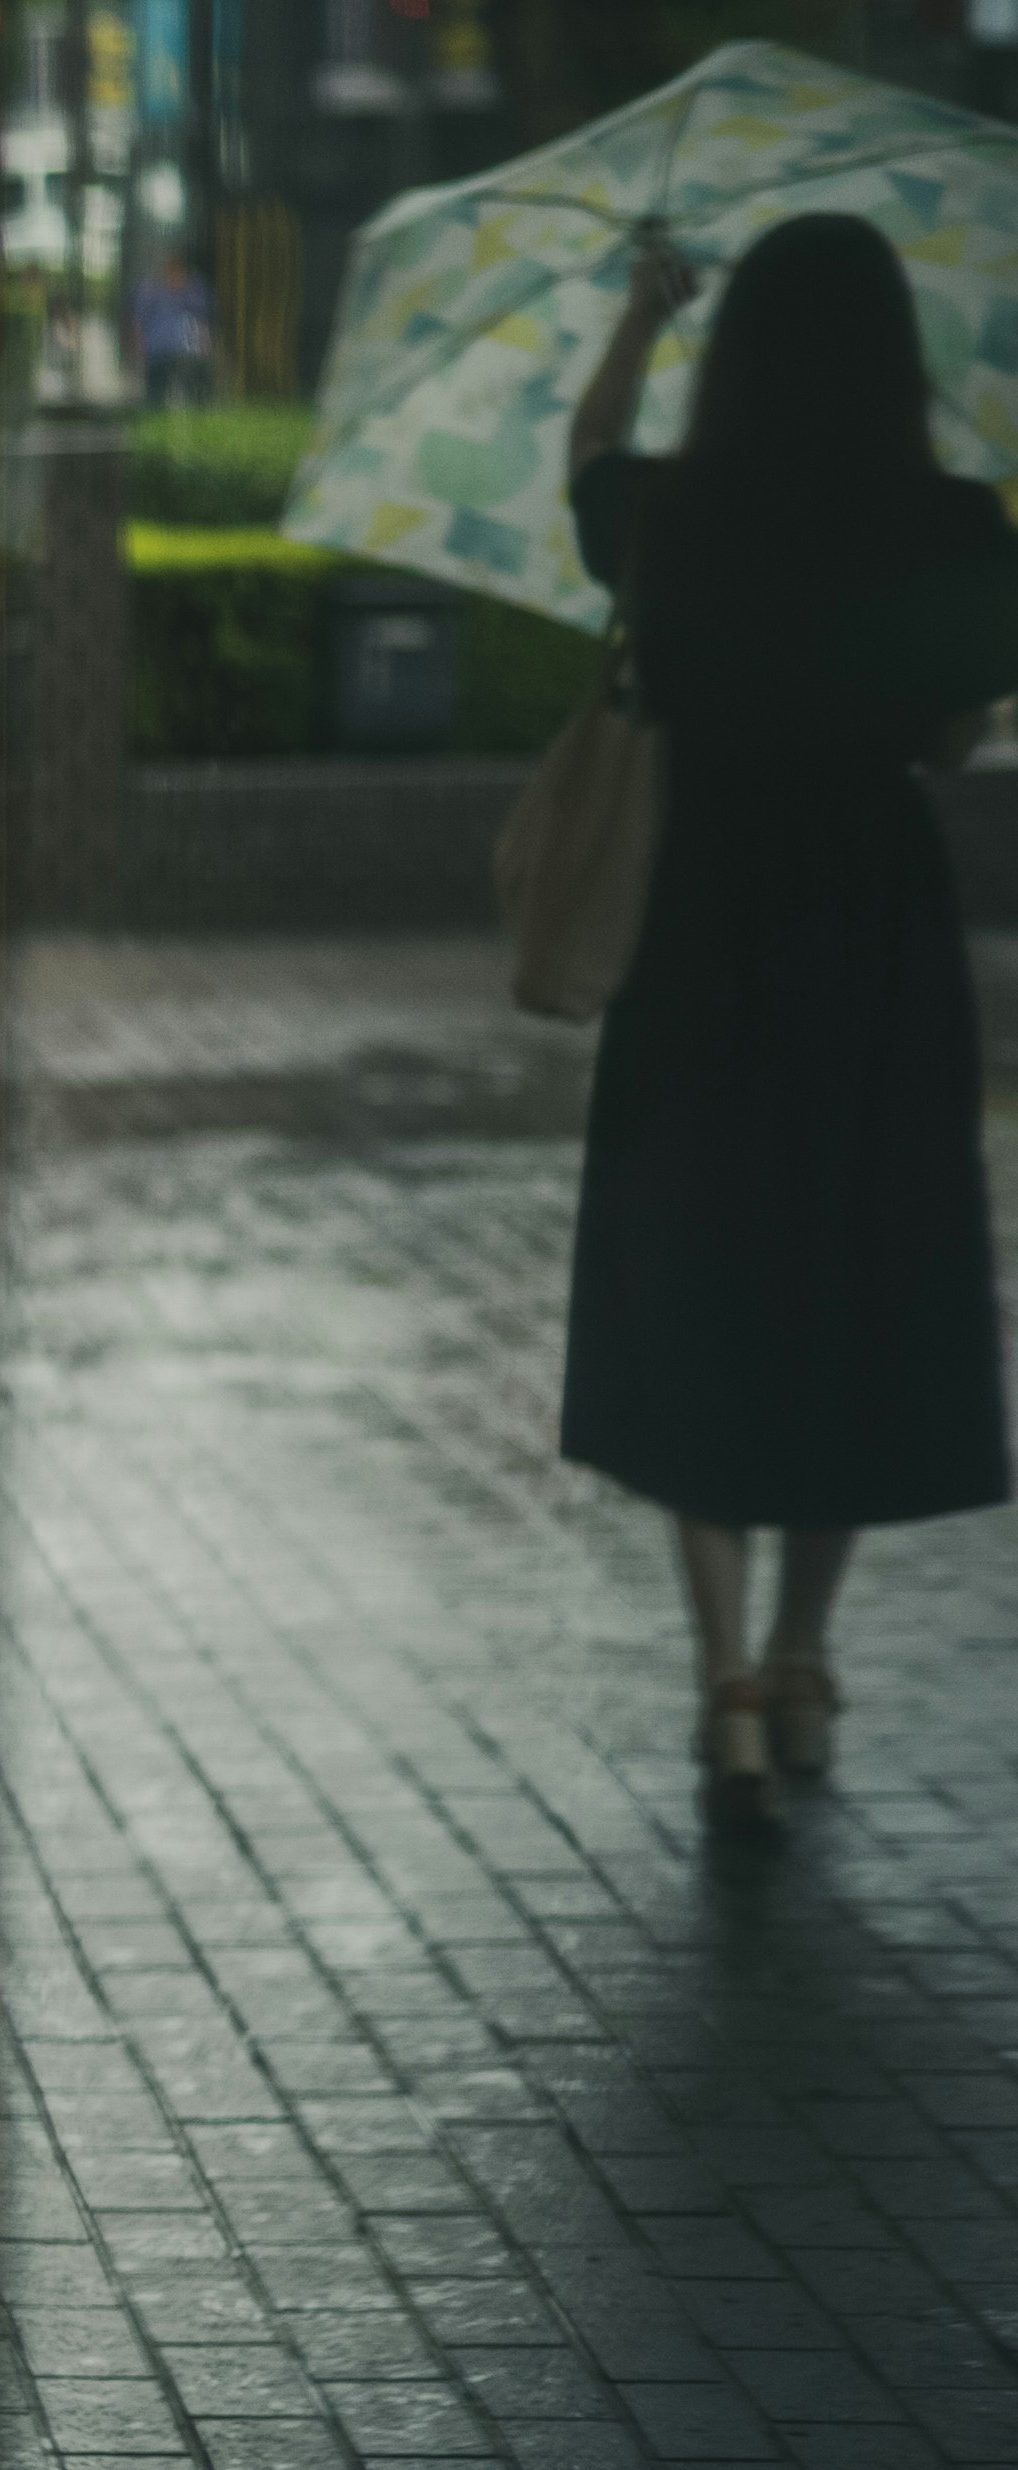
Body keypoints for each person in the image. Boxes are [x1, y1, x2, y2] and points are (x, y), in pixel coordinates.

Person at [563, 213, 1018, 1829]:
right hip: (874, 938)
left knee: (702, 1275)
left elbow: (594, 454)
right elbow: (958, 739)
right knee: (856, 1274)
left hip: (706, 927)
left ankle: (726, 1683)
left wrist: (641, 311)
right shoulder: (955, 523)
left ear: (738, 348)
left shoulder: (670, 515)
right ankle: (810, 1655)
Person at [131, 251, 214, 408]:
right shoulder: (151, 290)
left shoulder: (195, 290)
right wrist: (140, 350)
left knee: (194, 394)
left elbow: (203, 321)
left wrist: (204, 347)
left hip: (188, 353)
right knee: (156, 395)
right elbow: (139, 322)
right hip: (158, 352)